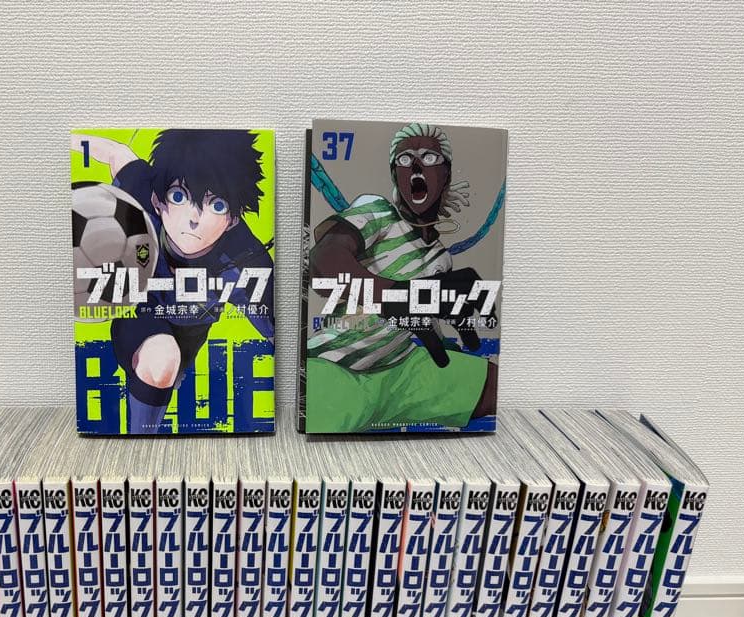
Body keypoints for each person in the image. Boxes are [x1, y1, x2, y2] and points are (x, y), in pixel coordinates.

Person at [75, 130, 274, 433]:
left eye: (217, 205)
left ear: (232, 219)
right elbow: (116, 153)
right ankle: (141, 443)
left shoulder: (246, 261)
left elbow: (279, 332)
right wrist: (62, 141)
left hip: (191, 330)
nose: (194, 217)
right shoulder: (142, 192)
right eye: (179, 197)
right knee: (162, 359)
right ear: (157, 200)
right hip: (141, 314)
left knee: (171, 369)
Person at [305, 123, 496, 432]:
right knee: (323, 423)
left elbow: (421, 319)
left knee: (494, 385)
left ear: (445, 173)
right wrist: (396, 296)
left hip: (401, 369)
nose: (416, 166)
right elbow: (324, 261)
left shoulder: (441, 259)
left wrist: (448, 342)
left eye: (429, 158)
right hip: (336, 365)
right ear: (395, 175)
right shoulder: (378, 211)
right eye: (405, 160)